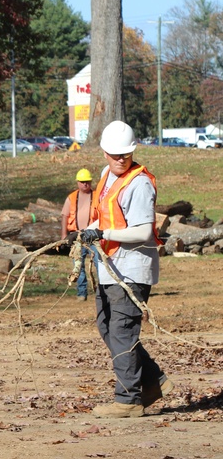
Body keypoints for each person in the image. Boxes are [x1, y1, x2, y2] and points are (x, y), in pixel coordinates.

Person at [78, 120, 173, 418]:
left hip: (132, 269)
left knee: (122, 331)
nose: (121, 159)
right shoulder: (107, 176)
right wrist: (87, 232)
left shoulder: (140, 183)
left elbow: (144, 231)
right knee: (107, 327)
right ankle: (152, 380)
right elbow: (106, 219)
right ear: (104, 152)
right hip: (110, 266)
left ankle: (128, 400)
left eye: (126, 154)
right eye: (115, 154)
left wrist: (103, 235)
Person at [61, 168, 94, 300]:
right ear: (78, 183)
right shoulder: (71, 197)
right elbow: (65, 216)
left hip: (93, 235)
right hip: (76, 236)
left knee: (99, 263)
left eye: (87, 181)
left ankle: (103, 292)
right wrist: (64, 235)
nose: (85, 184)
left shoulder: (97, 196)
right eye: (82, 182)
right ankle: (82, 294)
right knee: (78, 266)